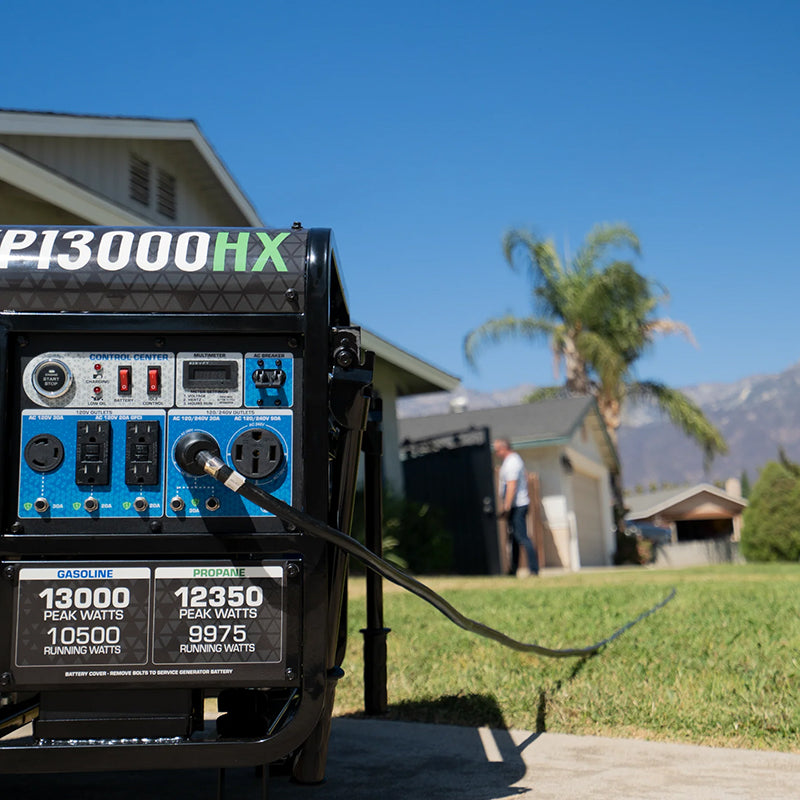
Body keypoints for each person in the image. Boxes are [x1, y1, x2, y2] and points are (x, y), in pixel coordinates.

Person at [493, 437, 539, 576]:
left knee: (522, 537)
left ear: (504, 448)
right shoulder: (512, 461)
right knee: (513, 538)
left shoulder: (513, 462)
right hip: (516, 505)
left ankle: (534, 569)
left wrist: (506, 507)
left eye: (497, 450)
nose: (496, 453)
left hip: (518, 505)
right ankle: (513, 570)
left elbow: (511, 486)